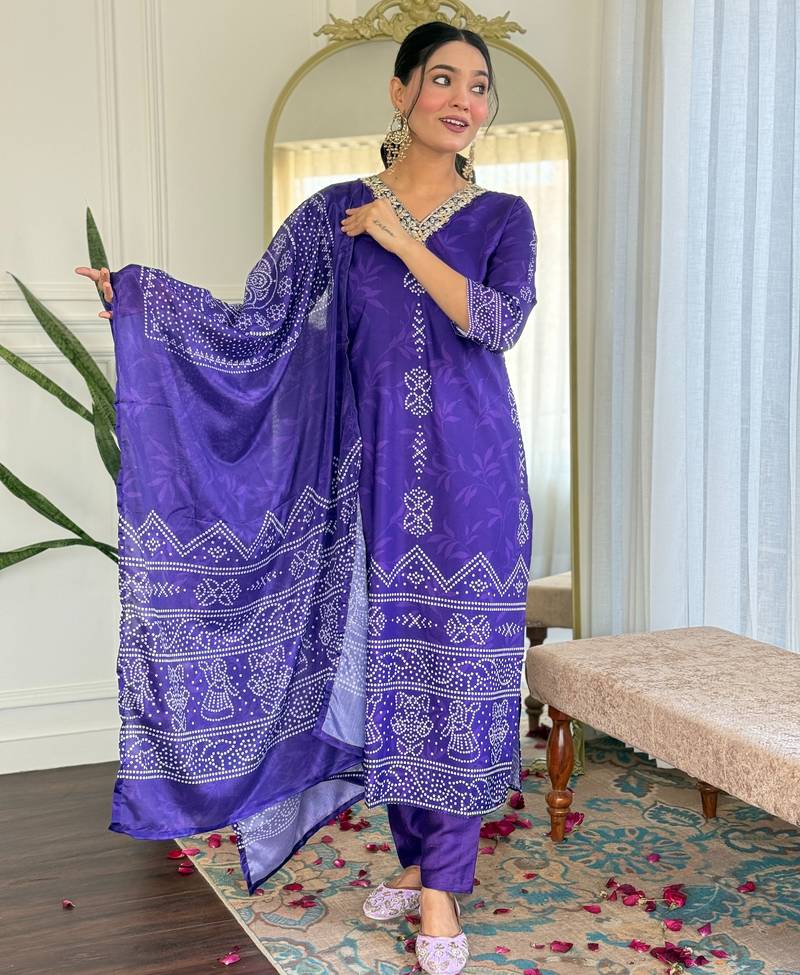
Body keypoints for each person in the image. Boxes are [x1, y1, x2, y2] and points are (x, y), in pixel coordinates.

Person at [76, 21, 537, 975]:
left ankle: (443, 886)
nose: (464, 99)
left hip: (475, 481)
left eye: (479, 86)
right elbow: (259, 324)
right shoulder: (332, 215)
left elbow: (494, 321)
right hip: (364, 479)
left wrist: (403, 240)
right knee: (385, 669)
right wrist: (141, 298)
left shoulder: (504, 218)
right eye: (443, 79)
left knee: (453, 673)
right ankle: (421, 861)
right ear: (401, 92)